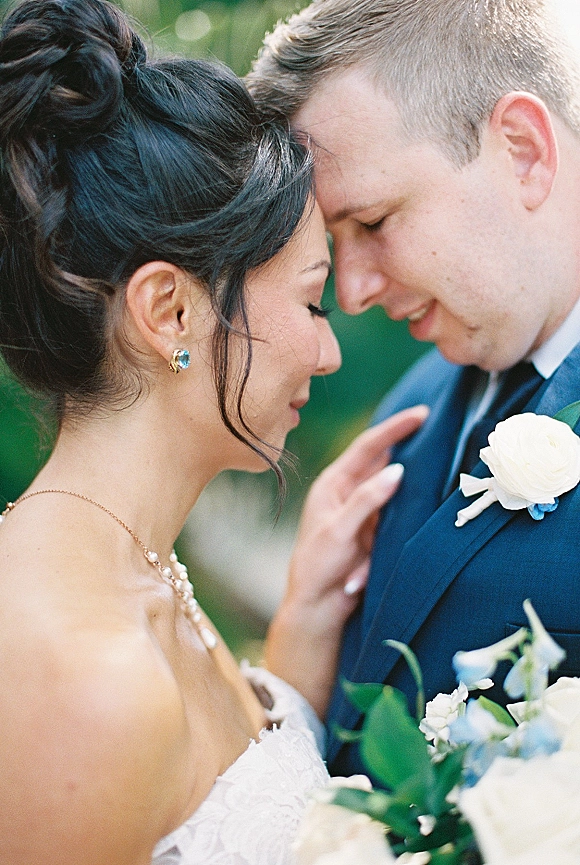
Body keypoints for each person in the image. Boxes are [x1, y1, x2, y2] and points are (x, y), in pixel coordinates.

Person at [0, 1, 428, 863]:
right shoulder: (79, 673)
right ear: (170, 310)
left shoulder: (139, 570)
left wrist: (300, 634)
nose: (331, 350)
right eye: (311, 299)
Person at [247, 0, 580, 778]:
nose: (354, 291)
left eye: (374, 220)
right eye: (334, 242)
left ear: (525, 151)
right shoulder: (410, 411)